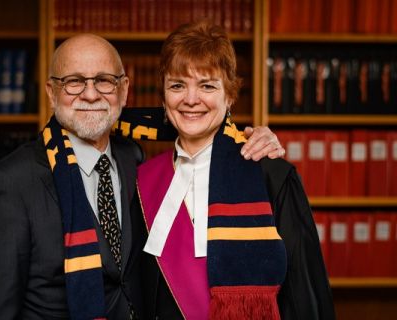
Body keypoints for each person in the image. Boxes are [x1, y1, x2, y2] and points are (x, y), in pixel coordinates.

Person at [0, 33, 285, 320]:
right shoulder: (9, 184)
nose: (90, 95)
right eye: (74, 81)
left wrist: (251, 139)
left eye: (104, 81)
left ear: (123, 90)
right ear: (52, 92)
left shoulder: (133, 161)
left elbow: (200, 122)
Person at [137, 20, 335, 320]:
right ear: (164, 98)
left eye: (207, 85)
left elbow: (303, 293)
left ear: (229, 96)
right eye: (177, 85)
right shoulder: (142, 180)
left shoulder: (270, 175)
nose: (191, 99)